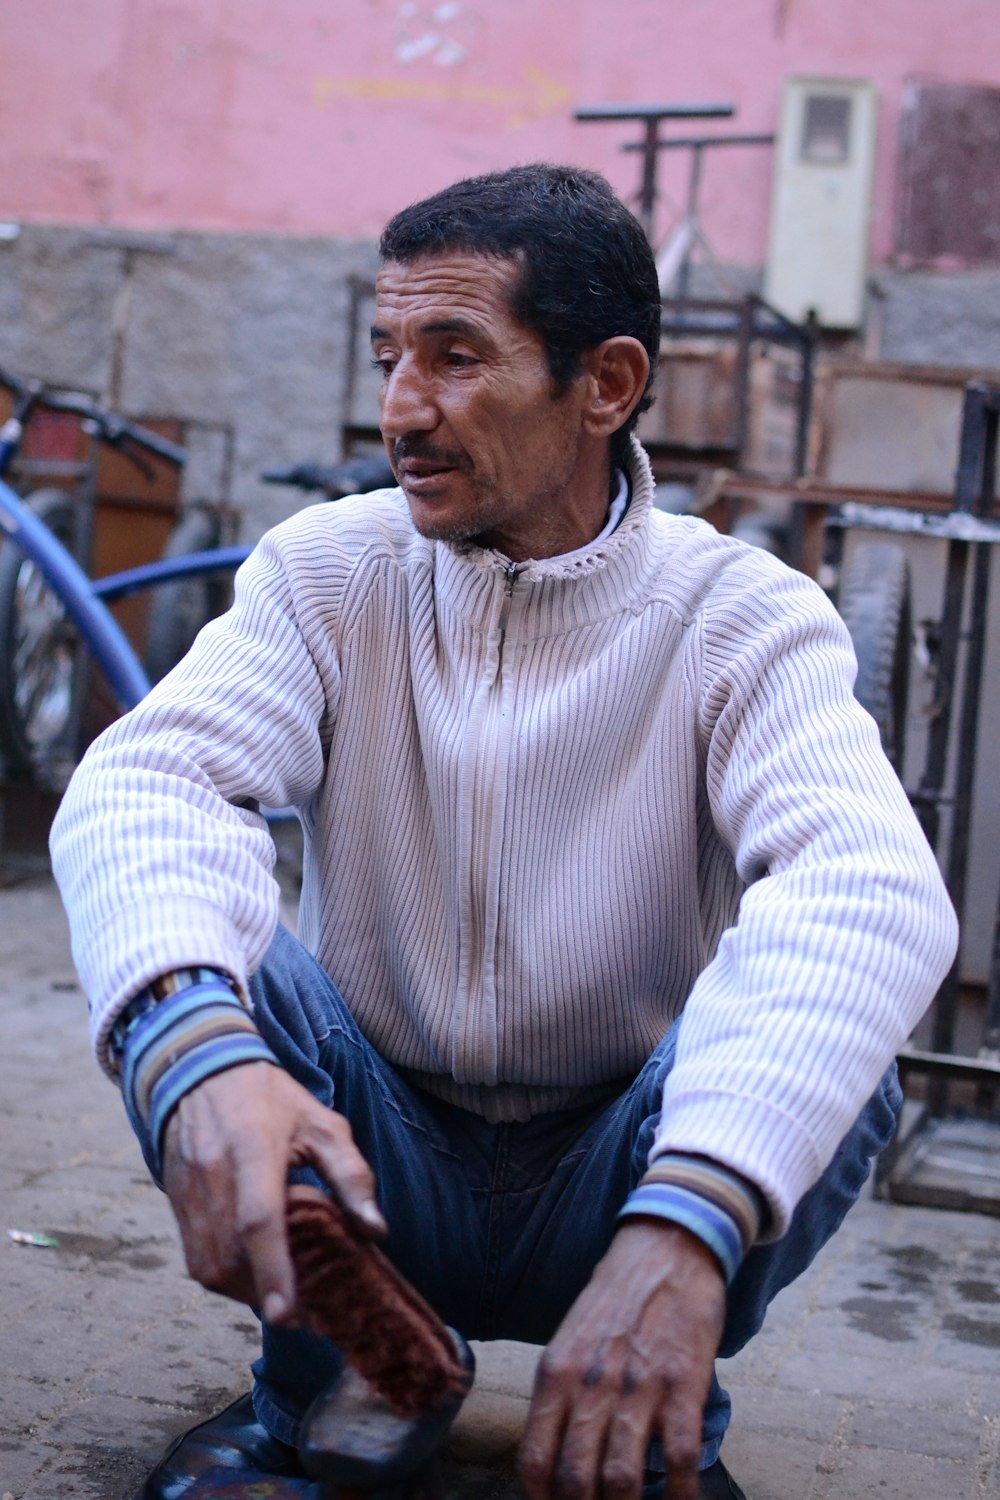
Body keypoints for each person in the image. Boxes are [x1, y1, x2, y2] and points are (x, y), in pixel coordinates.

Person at [50, 163, 957, 1500]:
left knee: (837, 1022)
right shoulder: (327, 572)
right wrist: (199, 1051)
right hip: (377, 1155)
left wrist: (692, 1213)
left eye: (457, 356)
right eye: (389, 356)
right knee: (187, 976)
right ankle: (336, 1392)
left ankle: (642, 1417)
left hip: (623, 1175)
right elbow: (152, 787)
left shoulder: (745, 618)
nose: (401, 410)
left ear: (606, 384)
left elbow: (868, 886)